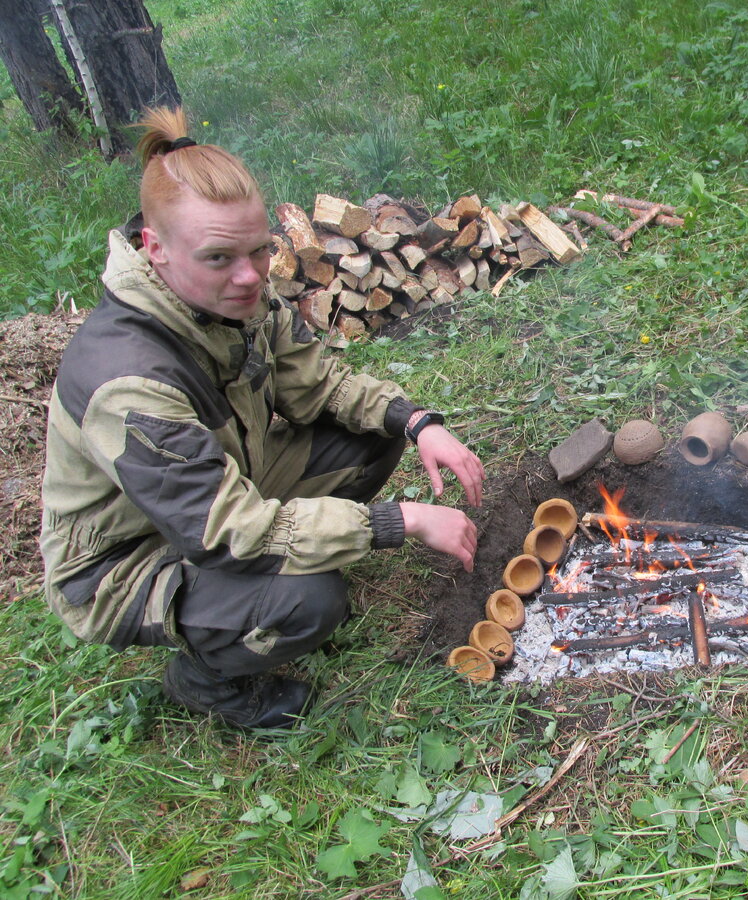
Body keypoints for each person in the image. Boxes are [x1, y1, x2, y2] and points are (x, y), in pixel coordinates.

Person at [40, 107, 484, 729]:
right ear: (155, 248)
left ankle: (264, 591)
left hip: (224, 484)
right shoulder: (128, 381)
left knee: (371, 433)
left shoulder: (231, 294)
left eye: (258, 251)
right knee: (309, 599)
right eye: (219, 258)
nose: (249, 277)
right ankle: (207, 680)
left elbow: (318, 384)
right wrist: (398, 520)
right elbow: (228, 530)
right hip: (128, 558)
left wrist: (415, 422)